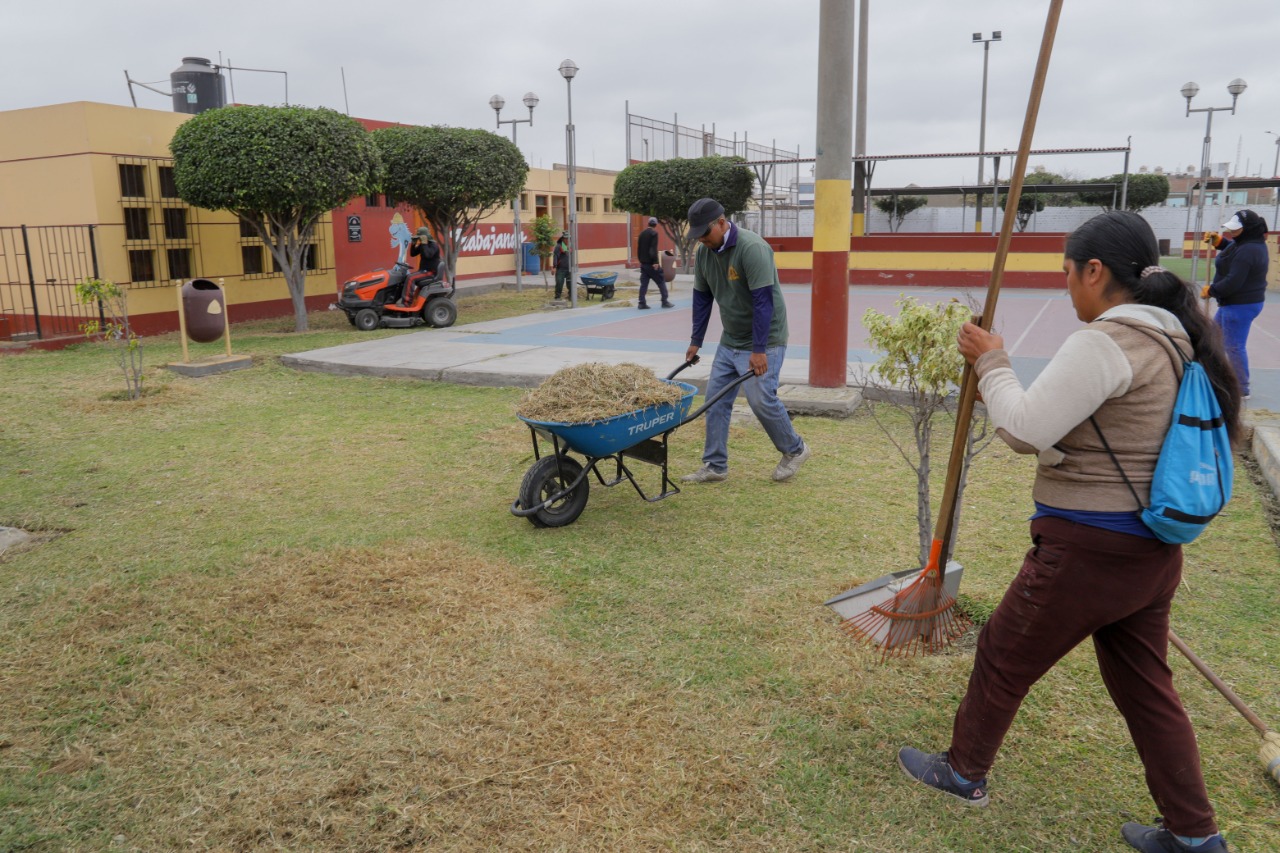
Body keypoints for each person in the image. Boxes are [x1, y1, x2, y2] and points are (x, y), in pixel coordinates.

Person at [896, 212, 1242, 853]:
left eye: (1067, 273)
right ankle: (1196, 837)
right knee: (1145, 687)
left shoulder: (1109, 341)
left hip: (1091, 547)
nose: (1066, 288)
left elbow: (1025, 429)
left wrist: (991, 363)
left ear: (1094, 271)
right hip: (1151, 551)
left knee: (1003, 650)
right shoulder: (1175, 339)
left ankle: (964, 771)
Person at [680, 197, 810, 484]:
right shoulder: (704, 253)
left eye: (705, 232)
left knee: (760, 399)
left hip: (767, 338)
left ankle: (795, 449)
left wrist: (759, 350)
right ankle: (715, 465)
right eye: (698, 234)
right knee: (715, 400)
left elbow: (764, 302)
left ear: (722, 223)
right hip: (731, 339)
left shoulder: (752, 248)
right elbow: (702, 298)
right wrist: (696, 340)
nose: (701, 239)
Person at [1203, 209, 1269, 400]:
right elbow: (1232, 248)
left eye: (1235, 229)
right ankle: (1217, 377)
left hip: (1240, 305)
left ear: (1247, 229)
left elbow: (1233, 282)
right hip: (1233, 304)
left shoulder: (1249, 250)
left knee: (1233, 346)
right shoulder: (1245, 243)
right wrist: (1219, 242)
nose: (1232, 232)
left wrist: (1212, 290)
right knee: (1215, 337)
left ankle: (1242, 388)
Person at [636, 216, 673, 309]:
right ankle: (664, 301)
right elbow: (653, 248)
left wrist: (641, 260)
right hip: (652, 264)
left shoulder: (642, 234)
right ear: (656, 225)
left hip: (643, 264)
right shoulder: (654, 233)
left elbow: (639, 249)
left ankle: (641, 303)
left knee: (644, 284)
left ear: (648, 224)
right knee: (661, 280)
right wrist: (655, 262)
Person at [404, 226, 442, 305]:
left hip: (431, 272)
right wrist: (413, 244)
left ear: (425, 237)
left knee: (410, 278)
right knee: (406, 276)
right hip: (424, 271)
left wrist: (424, 243)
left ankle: (406, 303)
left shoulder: (433, 245)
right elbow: (413, 254)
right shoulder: (423, 245)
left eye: (420, 237)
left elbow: (427, 255)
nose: (419, 239)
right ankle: (409, 300)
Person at [553, 231, 571, 301]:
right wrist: (554, 267)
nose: (567, 240)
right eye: (566, 239)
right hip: (561, 269)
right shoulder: (558, 246)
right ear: (563, 239)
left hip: (569, 268)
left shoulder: (570, 246)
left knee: (570, 283)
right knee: (559, 283)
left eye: (569, 239)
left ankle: (571, 296)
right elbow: (555, 257)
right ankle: (557, 296)